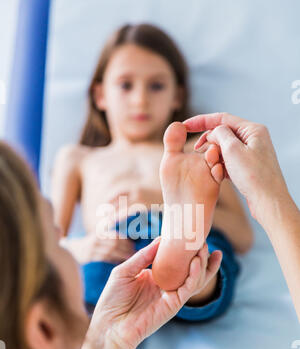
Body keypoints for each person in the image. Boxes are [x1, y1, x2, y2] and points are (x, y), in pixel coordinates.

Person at [1, 112, 300, 349]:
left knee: (200, 259)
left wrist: (109, 340)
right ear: (43, 329)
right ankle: (188, 262)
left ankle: (185, 259)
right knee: (199, 261)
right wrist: (273, 201)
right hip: (122, 236)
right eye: (58, 244)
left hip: (154, 234)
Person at [52, 23, 252, 321]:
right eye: (125, 85)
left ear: (177, 96)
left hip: (187, 229)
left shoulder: (195, 148)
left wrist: (160, 200)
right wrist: (80, 248)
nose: (140, 99)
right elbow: (50, 241)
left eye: (156, 85)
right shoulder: (79, 158)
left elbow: (242, 235)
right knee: (84, 283)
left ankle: (182, 264)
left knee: (203, 258)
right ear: (99, 95)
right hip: (114, 247)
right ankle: (178, 270)